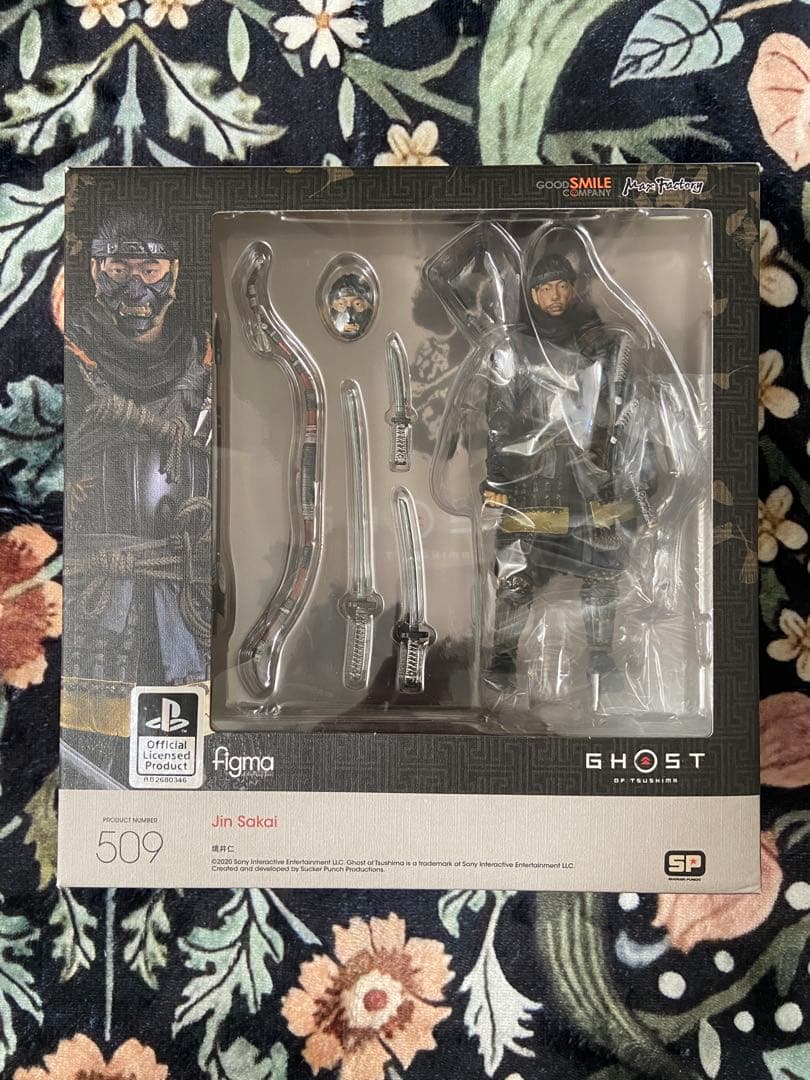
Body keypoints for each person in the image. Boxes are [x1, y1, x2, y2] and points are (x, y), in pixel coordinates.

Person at [63, 211, 211, 689]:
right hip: (93, 579)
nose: (135, 288)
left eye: (149, 271)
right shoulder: (67, 350)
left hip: (184, 579)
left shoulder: (202, 353)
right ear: (95, 271)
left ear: (173, 273)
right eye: (119, 270)